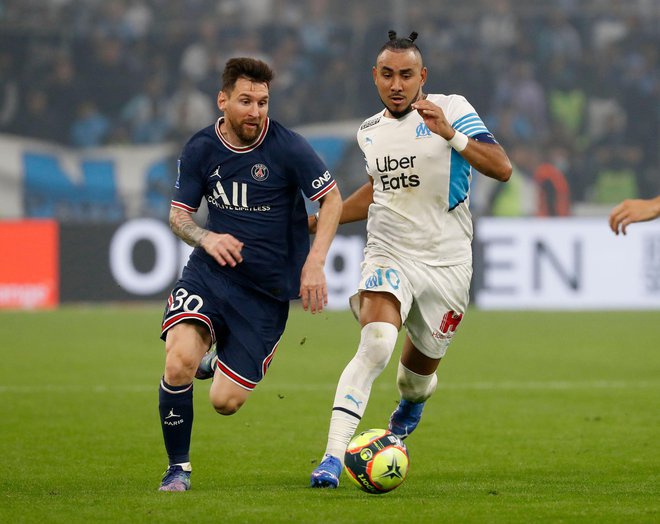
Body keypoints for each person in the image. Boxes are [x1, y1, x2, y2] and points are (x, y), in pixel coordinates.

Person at [309, 31, 512, 488]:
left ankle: (410, 406)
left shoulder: (453, 109)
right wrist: (318, 220)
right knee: (378, 341)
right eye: (387, 75)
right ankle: (331, 456)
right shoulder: (368, 132)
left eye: (406, 75)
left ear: (423, 76)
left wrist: (451, 134)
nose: (396, 84)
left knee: (414, 381)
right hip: (389, 250)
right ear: (374, 78)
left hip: (448, 263)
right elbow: (377, 193)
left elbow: (501, 167)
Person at [157, 57, 342, 492]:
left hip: (266, 293)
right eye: (245, 101)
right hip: (210, 275)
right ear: (222, 101)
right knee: (178, 360)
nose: (256, 111)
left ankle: (216, 360)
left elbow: (331, 201)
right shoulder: (201, 148)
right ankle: (177, 468)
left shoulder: (288, 147)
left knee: (225, 402)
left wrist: (314, 262)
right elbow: (179, 217)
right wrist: (206, 239)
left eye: (263, 102)